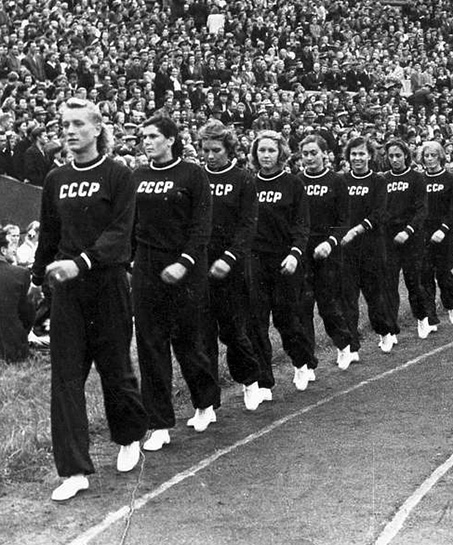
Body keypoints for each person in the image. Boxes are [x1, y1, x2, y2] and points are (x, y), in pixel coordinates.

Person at [29, 97, 148, 502]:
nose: (70, 130)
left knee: (116, 369)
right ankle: (74, 469)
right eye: (65, 123)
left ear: (97, 128)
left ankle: (129, 437)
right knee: (65, 378)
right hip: (67, 289)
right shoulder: (55, 178)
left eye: (79, 123)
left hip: (107, 283)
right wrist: (35, 278)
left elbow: (120, 233)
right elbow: (49, 234)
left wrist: (82, 262)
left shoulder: (119, 174)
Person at [132, 114, 220, 452]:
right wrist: (130, 262)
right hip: (147, 265)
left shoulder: (192, 174)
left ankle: (204, 401)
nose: (147, 142)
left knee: (187, 341)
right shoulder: (136, 176)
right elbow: (129, 222)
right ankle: (158, 423)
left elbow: (201, 225)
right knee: (150, 344)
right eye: (143, 137)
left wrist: (185, 263)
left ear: (170, 139)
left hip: (185, 265)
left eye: (153, 136)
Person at [197, 120, 263, 411]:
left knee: (234, 331)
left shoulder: (243, 179)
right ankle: (208, 403)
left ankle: (250, 383)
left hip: (232, 267)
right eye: (205, 150)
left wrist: (230, 257)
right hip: (200, 265)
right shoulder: (197, 178)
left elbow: (248, 226)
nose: (210, 156)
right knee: (202, 334)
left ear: (228, 149)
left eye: (216, 150)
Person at [248, 130, 316, 396]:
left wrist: (295, 254)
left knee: (286, 319)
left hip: (286, 260)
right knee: (256, 321)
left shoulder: (293, 184)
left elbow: (302, 225)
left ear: (281, 154)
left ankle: (301, 362)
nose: (266, 155)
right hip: (255, 260)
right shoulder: (249, 183)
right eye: (261, 150)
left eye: (271, 150)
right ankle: (265, 380)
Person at [297, 134, 353, 370]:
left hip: (328, 251)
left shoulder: (336, 181)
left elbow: (344, 220)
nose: (309, 158)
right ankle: (308, 363)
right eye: (305, 154)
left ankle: (344, 346)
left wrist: (330, 243)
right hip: (302, 249)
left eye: (314, 153)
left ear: (325, 154)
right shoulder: (297, 181)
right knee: (302, 307)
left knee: (328, 305)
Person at [340, 136, 397, 354]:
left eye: (361, 153)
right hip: (347, 249)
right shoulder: (342, 181)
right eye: (353, 154)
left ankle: (384, 331)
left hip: (372, 246)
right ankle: (351, 347)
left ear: (370, 156)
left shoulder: (378, 181)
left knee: (375, 296)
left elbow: (379, 213)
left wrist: (356, 230)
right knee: (347, 298)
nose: (357, 158)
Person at [382, 139, 430, 338]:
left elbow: (421, 210)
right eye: (391, 156)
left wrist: (408, 231)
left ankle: (422, 319)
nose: (394, 159)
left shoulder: (416, 178)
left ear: (406, 156)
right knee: (389, 284)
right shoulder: (383, 179)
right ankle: (391, 329)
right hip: (389, 239)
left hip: (411, 237)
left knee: (414, 282)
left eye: (398, 155)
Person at [419, 141, 453, 328]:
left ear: (440, 157)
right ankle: (431, 317)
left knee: (444, 274)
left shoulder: (450, 179)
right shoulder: (420, 180)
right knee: (425, 275)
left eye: (433, 156)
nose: (429, 159)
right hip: (423, 234)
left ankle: (451, 305)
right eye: (426, 156)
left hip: (443, 233)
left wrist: (444, 229)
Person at [0, 231, 34, 362]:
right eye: (13, 246)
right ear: (3, 250)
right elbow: (28, 315)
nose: (15, 250)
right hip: (12, 348)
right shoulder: (21, 274)